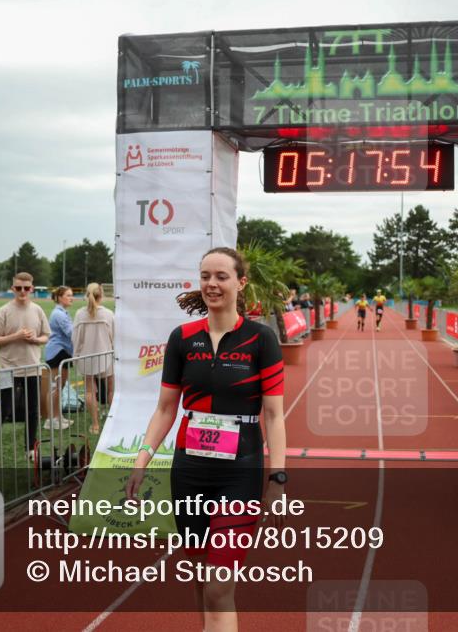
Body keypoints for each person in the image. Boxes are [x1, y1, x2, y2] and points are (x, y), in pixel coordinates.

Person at [125, 247, 287, 632]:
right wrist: (142, 459)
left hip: (240, 472)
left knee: (218, 585)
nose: (212, 284)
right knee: (200, 573)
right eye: (205, 276)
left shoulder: (261, 339)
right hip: (190, 471)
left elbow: (275, 415)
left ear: (240, 283)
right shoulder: (182, 338)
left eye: (221, 276)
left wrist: (278, 477)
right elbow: (166, 408)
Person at [0, 272, 50, 467]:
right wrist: (16, 336)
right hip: (8, 370)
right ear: (13, 288)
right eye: (18, 288)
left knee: (33, 411)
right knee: (3, 410)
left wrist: (35, 339)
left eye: (26, 288)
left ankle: (31, 449)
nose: (23, 291)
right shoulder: (3, 311)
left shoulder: (38, 310)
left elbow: (46, 335)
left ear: (31, 288)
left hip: (33, 369)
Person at [73, 283, 114, 435]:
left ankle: (95, 425)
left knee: (90, 391)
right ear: (101, 296)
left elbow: (76, 338)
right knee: (111, 391)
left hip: (86, 356)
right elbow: (114, 337)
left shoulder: (79, 314)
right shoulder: (109, 314)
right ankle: (113, 423)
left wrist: (76, 356)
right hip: (106, 356)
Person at [43, 286, 75, 431]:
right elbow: (71, 333)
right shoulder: (59, 314)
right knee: (55, 387)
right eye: (68, 295)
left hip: (63, 352)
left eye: (71, 295)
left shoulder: (62, 312)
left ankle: (57, 416)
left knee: (59, 387)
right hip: (57, 352)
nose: (71, 298)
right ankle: (51, 420)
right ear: (60, 297)